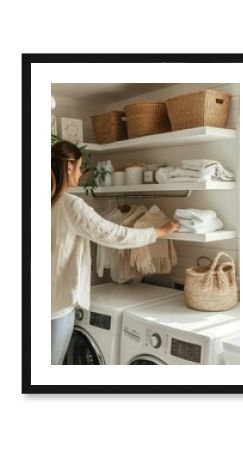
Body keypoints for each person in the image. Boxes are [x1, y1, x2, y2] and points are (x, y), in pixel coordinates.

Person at [51, 140, 180, 364]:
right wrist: (157, 232)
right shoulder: (72, 206)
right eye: (80, 167)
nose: (81, 174)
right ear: (69, 167)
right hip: (58, 307)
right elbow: (113, 234)